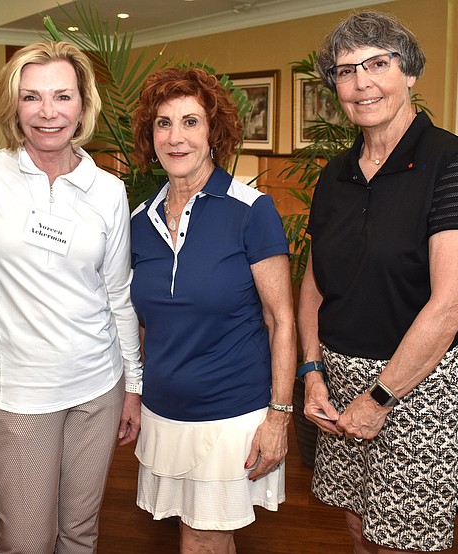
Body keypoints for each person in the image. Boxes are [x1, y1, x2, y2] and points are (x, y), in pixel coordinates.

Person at [297, 11, 458, 553]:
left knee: (403, 540)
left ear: (409, 73)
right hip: (338, 378)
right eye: (345, 71)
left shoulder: (451, 162)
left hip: (419, 384)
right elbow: (315, 284)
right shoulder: (334, 175)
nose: (361, 82)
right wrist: (312, 373)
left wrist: (380, 398)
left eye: (378, 64)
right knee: (359, 524)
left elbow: (452, 304)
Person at [0, 41, 143, 554]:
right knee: (26, 542)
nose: (47, 112)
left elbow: (117, 294)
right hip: (17, 393)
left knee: (80, 534)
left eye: (62, 96)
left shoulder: (107, 190)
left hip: (96, 388)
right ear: (14, 105)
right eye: (32, 97)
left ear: (83, 105)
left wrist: (132, 386)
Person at [129, 67, 296, 553]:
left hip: (230, 416)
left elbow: (280, 320)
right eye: (163, 123)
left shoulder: (251, 210)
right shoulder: (140, 221)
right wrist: (137, 395)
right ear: (150, 135)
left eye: (190, 122)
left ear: (213, 132)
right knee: (194, 536)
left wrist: (279, 418)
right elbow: (146, 323)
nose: (175, 137)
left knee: (203, 539)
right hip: (165, 414)